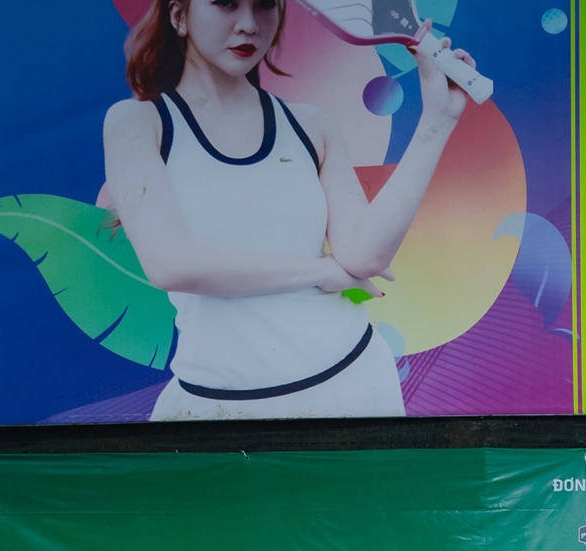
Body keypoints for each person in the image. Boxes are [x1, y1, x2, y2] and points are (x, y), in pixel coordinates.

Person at [104, 0, 476, 421]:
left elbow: (364, 257)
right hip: (213, 412)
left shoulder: (310, 125)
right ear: (178, 15)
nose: (248, 24)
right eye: (226, 3)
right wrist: (319, 271)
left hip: (354, 389)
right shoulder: (136, 123)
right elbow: (170, 265)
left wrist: (436, 123)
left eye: (265, 5)